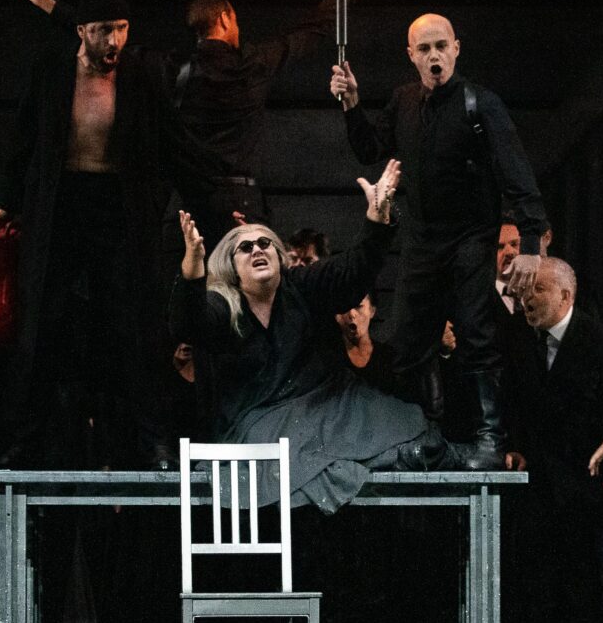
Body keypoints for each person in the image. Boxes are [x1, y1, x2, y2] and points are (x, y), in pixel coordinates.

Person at [0, 0, 227, 467]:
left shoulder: (140, 75)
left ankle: (154, 441)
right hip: (60, 206)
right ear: (81, 32)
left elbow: (176, 143)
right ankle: (23, 443)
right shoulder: (52, 70)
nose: (114, 40)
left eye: (121, 28)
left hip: (118, 208)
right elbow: (22, 139)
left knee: (136, 325)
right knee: (43, 324)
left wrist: (219, 205)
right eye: (103, 30)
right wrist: (4, 203)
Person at [17, 0, 377, 234]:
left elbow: (104, 39)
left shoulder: (170, 69)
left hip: (185, 205)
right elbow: (318, 25)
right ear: (225, 19)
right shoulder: (256, 63)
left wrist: (45, 2)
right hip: (240, 201)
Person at [333, 12, 550, 469]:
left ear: (456, 49)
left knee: (476, 335)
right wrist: (352, 105)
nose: (434, 56)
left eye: (441, 46)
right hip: (422, 240)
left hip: (471, 236)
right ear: (411, 56)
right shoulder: (404, 101)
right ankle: (419, 436)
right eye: (424, 49)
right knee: (409, 341)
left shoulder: (480, 104)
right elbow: (370, 149)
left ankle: (490, 439)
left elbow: (517, 174)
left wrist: (531, 243)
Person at [167, 161, 443, 511]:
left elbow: (350, 274)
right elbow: (188, 325)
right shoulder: (224, 304)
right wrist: (192, 273)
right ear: (232, 268)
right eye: (245, 248)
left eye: (265, 243)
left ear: (278, 255)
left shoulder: (300, 286)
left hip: (320, 410)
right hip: (254, 424)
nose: (257, 249)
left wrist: (376, 222)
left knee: (406, 429)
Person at [503, 256, 603, 623]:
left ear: (566, 295)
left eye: (538, 289)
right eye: (526, 290)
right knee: (538, 575)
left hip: (586, 481)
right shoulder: (520, 340)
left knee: (585, 578)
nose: (528, 298)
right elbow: (514, 405)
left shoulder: (601, 341)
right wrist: (515, 447)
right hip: (538, 484)